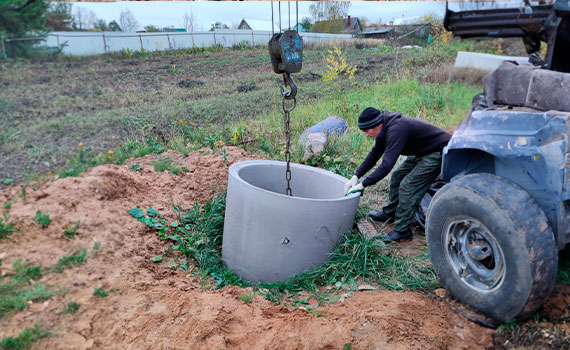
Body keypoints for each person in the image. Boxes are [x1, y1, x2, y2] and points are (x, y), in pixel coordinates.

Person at [345, 107, 451, 242]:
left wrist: (363, 184)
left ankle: (403, 231)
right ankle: (391, 213)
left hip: (436, 152)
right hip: (421, 151)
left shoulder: (396, 129)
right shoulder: (383, 129)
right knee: (397, 176)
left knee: (408, 187)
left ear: (378, 125)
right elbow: (375, 154)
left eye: (367, 131)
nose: (366, 135)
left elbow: (386, 166)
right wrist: (356, 175)